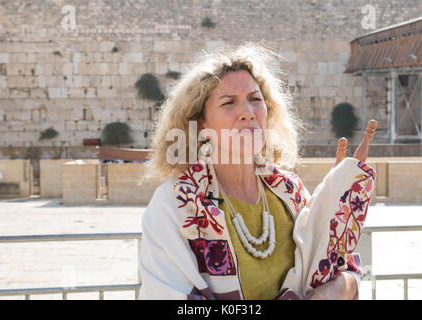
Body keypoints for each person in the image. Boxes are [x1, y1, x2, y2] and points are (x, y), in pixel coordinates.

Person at [138, 44, 377, 300]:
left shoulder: (290, 191)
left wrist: (329, 293)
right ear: (201, 125)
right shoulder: (174, 205)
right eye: (229, 102)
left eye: (255, 99)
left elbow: (347, 271)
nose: (247, 113)